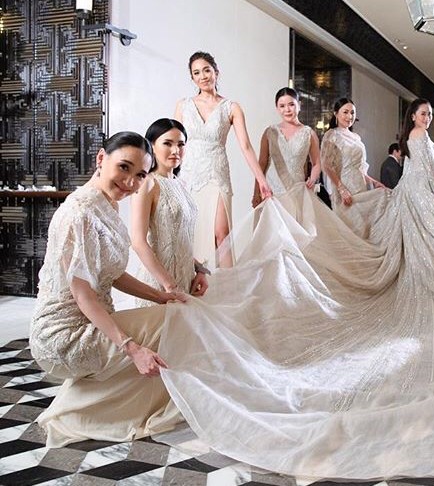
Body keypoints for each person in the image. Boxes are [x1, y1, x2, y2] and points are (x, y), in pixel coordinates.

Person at [158, 98, 434, 479]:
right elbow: (340, 167)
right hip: (328, 192)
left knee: (397, 241)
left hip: (373, 190)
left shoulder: (380, 137)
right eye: (422, 113)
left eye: (429, 114)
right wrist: (320, 185)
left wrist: (374, 184)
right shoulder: (327, 135)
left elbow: (380, 168)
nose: (426, 118)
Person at [30, 132, 187, 447]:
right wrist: (132, 348)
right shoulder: (79, 212)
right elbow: (83, 295)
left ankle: (106, 409)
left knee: (174, 314)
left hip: (89, 320)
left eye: (140, 175)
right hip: (63, 335)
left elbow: (113, 274)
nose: (130, 182)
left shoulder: (107, 204)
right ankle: (76, 415)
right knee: (173, 324)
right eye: (124, 167)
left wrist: (161, 296)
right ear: (101, 158)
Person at [175, 51, 271, 269]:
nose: (203, 76)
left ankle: (228, 285)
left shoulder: (231, 107)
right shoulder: (183, 106)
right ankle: (193, 281)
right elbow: (175, 143)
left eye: (206, 70)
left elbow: (246, 146)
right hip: (188, 176)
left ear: (216, 72)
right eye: (196, 73)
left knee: (222, 234)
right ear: (192, 78)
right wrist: (167, 176)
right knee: (190, 234)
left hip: (216, 175)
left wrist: (262, 181)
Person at [131, 119, 209, 306]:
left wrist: (199, 270)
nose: (175, 150)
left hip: (185, 280)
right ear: (152, 145)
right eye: (167, 143)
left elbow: (177, 239)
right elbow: (138, 242)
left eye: (181, 144)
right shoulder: (147, 183)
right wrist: (170, 286)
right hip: (160, 285)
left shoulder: (180, 183)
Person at [253, 87, 320, 205]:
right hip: (272, 193)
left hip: (297, 192)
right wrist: (256, 192)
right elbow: (261, 164)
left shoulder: (309, 133)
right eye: (282, 106)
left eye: (291, 105)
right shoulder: (270, 132)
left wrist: (313, 179)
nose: (287, 110)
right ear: (277, 108)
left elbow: (317, 163)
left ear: (299, 105)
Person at [321, 97, 384, 208]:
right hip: (345, 188)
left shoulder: (356, 137)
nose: (350, 116)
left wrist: (374, 182)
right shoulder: (332, 135)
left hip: (360, 186)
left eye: (352, 113)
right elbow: (326, 165)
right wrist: (341, 189)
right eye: (345, 112)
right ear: (336, 113)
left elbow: (360, 168)